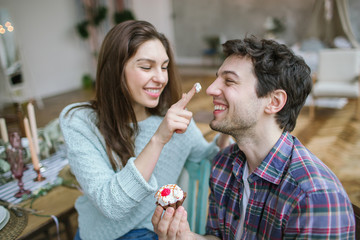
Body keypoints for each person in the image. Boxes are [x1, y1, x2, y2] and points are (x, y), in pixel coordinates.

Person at [152, 37, 356, 239]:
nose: (211, 89)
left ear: (274, 102)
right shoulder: (223, 165)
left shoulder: (315, 199)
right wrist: (187, 237)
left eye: (229, 81)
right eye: (217, 78)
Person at [59, 20, 229, 240]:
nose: (160, 78)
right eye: (146, 67)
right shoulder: (80, 121)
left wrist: (227, 126)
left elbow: (209, 159)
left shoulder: (173, 120)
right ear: (115, 69)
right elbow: (112, 206)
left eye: (164, 66)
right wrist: (158, 139)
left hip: (150, 232)